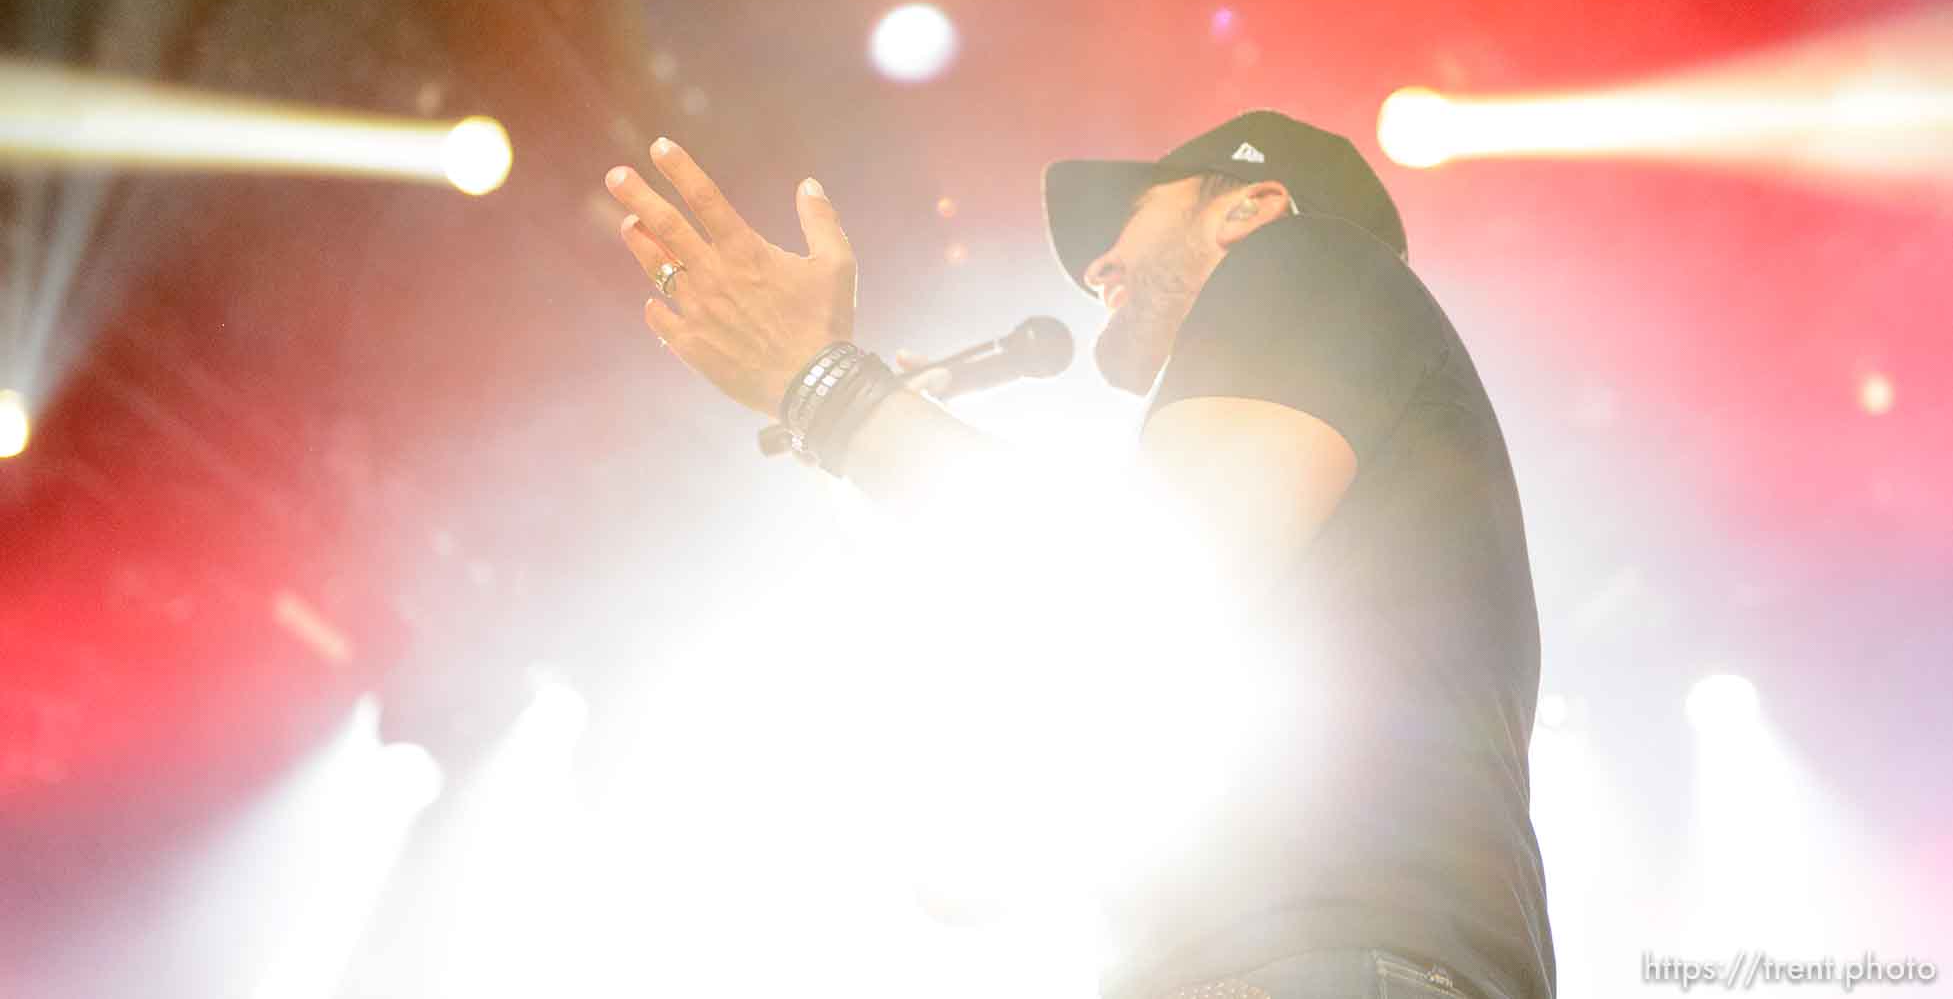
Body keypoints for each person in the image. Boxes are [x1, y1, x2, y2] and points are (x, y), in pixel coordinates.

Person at [603, 109, 1555, 999]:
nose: (1097, 260)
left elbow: (1152, 579)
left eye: (1131, 215)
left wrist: (824, 389)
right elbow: (974, 867)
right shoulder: (1297, 522)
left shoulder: (1305, 259)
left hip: (1319, 959)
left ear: (1250, 206)